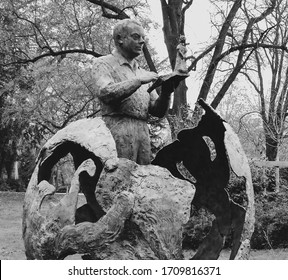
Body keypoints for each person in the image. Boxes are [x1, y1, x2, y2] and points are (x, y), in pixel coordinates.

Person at [92, 19, 178, 165]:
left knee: (142, 180)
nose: (142, 41)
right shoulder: (102, 63)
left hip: (143, 133)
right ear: (120, 39)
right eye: (136, 37)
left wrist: (166, 92)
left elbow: (156, 111)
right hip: (116, 129)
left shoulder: (142, 73)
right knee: (120, 178)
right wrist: (138, 81)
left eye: (143, 38)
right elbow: (105, 93)